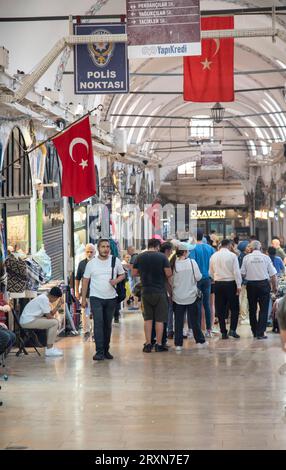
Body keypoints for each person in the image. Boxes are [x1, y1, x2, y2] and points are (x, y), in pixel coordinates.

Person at [81, 239, 125, 361]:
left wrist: (116, 281)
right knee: (98, 323)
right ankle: (99, 351)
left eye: (107, 247)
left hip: (111, 298)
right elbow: (85, 281)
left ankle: (106, 350)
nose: (105, 249)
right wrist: (83, 299)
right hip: (96, 297)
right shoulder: (91, 263)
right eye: (103, 247)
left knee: (107, 325)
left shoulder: (115, 261)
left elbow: (122, 274)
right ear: (98, 248)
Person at [132, 238, 172, 353]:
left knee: (147, 319)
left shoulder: (139, 257)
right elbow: (168, 273)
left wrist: (144, 273)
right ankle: (159, 345)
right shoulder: (162, 257)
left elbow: (134, 273)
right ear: (158, 246)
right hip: (160, 291)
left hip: (145, 292)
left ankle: (148, 344)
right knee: (159, 320)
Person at [170, 243, 206, 350]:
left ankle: (178, 344)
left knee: (178, 321)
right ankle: (199, 341)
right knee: (194, 320)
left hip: (177, 296)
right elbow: (199, 277)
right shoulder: (192, 262)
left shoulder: (173, 263)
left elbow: (171, 280)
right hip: (191, 296)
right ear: (185, 252)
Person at [241, 240, 277, 339]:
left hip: (251, 285)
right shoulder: (266, 258)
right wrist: (275, 287)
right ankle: (260, 332)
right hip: (263, 285)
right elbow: (273, 274)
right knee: (264, 309)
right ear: (260, 248)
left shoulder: (246, 258)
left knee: (252, 309)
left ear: (251, 248)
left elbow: (242, 273)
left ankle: (254, 330)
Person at [209, 239, 242, 339]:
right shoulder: (232, 256)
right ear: (229, 245)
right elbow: (236, 272)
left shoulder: (214, 256)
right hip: (231, 284)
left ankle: (223, 332)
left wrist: (216, 278)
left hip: (218, 284)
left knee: (220, 308)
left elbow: (210, 272)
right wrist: (239, 285)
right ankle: (232, 330)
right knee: (234, 308)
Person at [19, 286, 64, 357]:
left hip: (29, 320)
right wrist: (57, 321)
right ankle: (49, 349)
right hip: (28, 321)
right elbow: (49, 316)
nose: (56, 300)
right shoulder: (44, 299)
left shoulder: (44, 297)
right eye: (56, 299)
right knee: (55, 323)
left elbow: (49, 314)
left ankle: (50, 348)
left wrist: (58, 306)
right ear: (54, 297)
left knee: (54, 322)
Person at [189, 229, 215, 337]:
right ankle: (209, 330)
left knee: (196, 305)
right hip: (207, 279)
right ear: (203, 235)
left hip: (196, 279)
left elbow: (192, 263)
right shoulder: (210, 248)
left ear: (194, 236)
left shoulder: (193, 248)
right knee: (207, 305)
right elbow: (213, 263)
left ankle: (197, 329)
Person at [75, 243, 95, 340]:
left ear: (95, 252)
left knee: (96, 313)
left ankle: (95, 332)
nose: (89, 253)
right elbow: (77, 278)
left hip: (96, 293)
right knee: (85, 312)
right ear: (85, 252)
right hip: (85, 293)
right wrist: (77, 292)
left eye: (91, 252)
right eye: (88, 251)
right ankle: (86, 331)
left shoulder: (97, 263)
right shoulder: (82, 264)